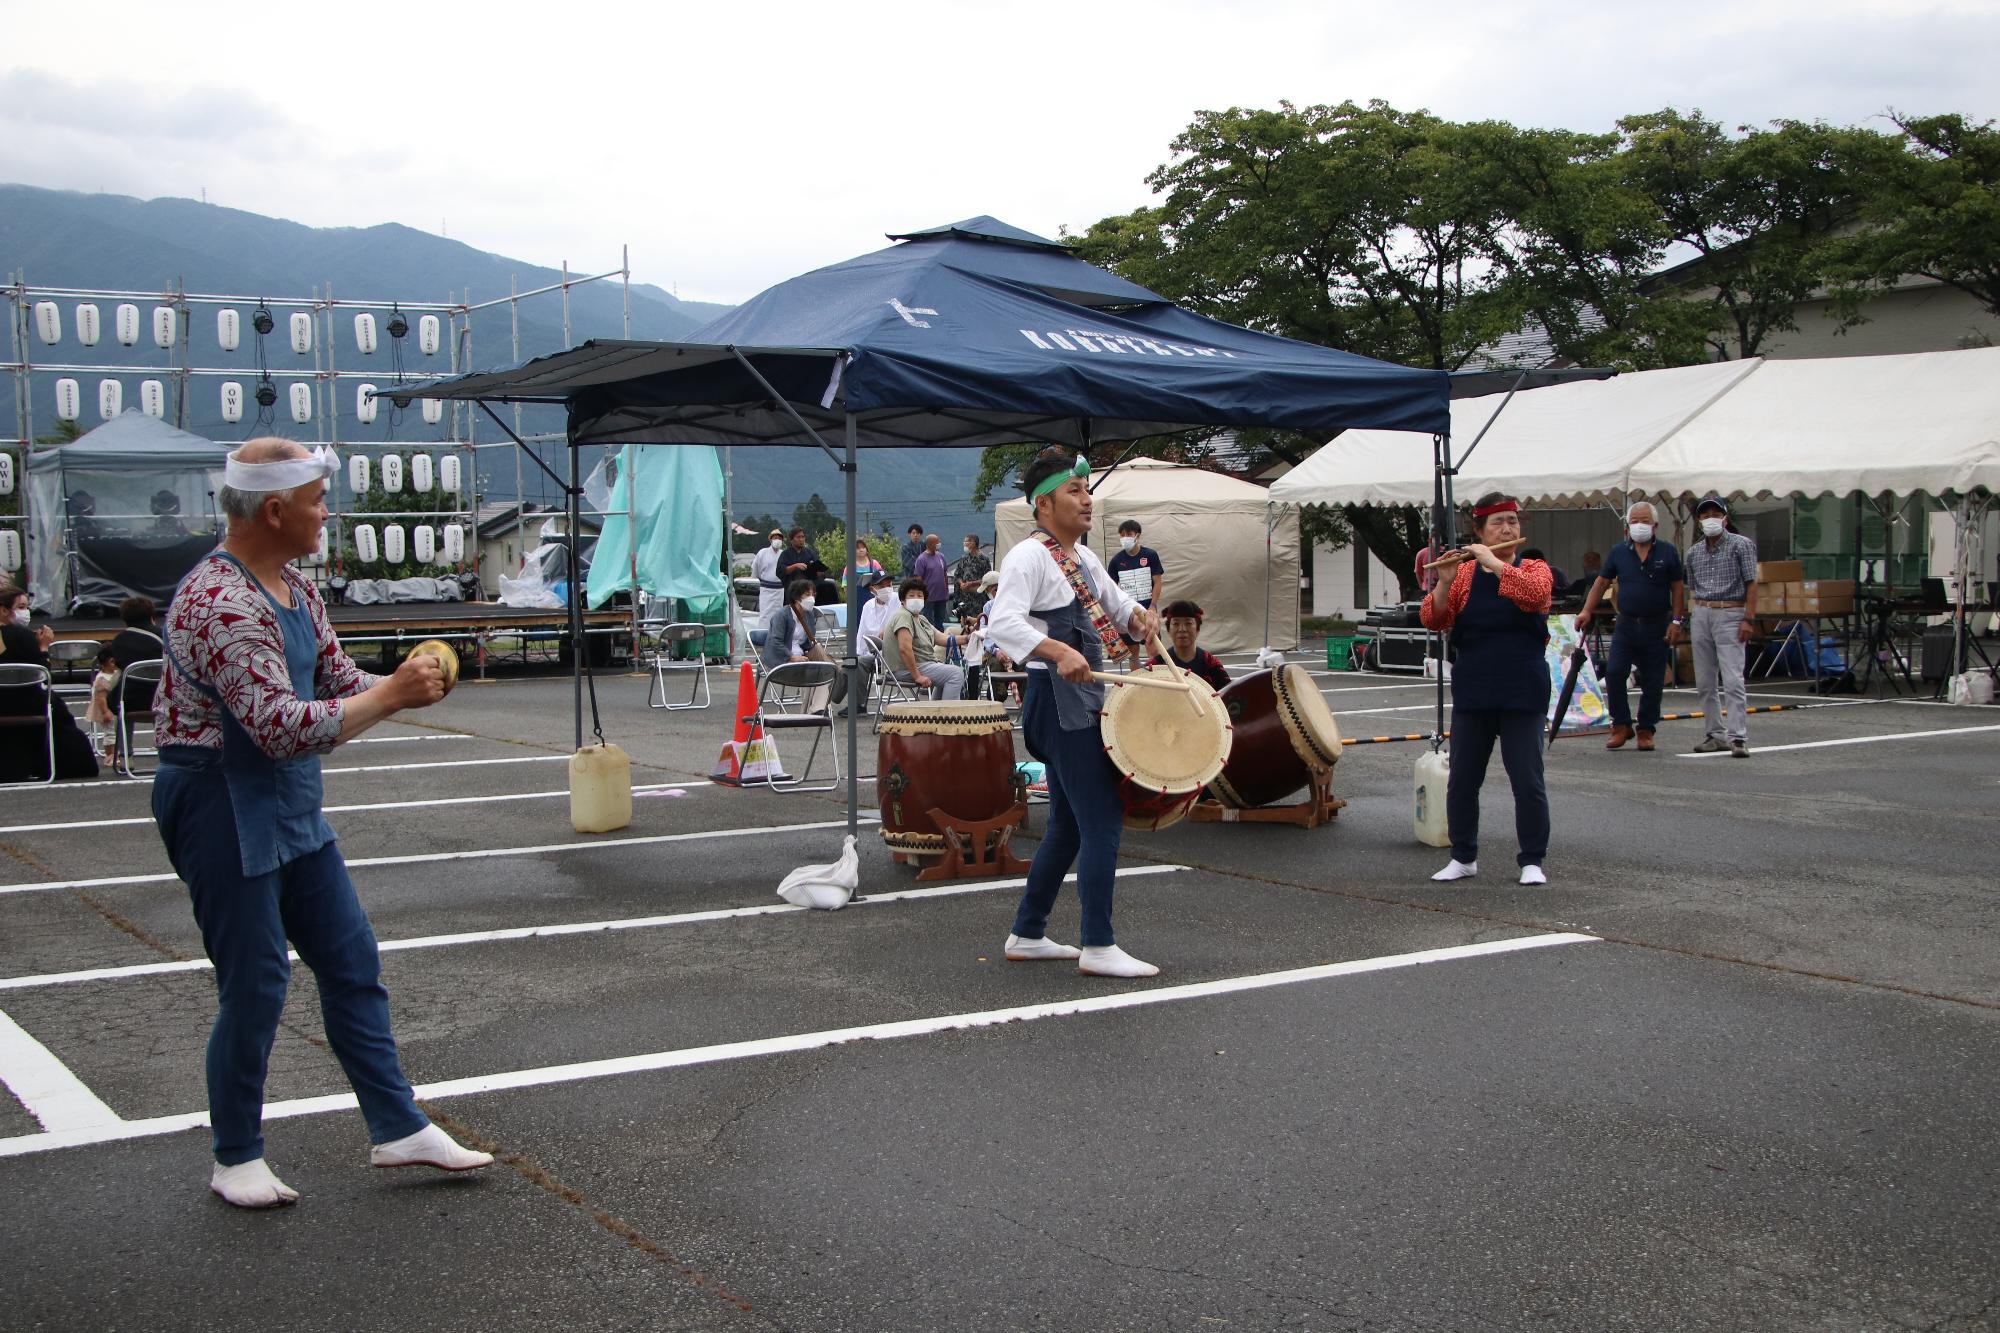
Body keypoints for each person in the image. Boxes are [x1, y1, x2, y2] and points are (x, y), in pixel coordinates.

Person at [150, 439, 491, 1210]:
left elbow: (338, 681)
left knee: (349, 956)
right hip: (217, 795)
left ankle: (397, 1124)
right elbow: (277, 726)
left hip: (287, 792)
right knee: (257, 981)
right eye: (316, 499)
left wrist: (408, 682)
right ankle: (234, 1154)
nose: (325, 513)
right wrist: (392, 697)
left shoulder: (295, 586)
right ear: (275, 510)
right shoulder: (220, 601)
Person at [988, 451, 1162, 978]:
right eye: (1075, 492)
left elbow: (1117, 611)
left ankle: (1028, 932)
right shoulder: (1027, 557)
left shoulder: (1083, 558)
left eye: (1088, 490)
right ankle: (1099, 944)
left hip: (1080, 703)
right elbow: (1002, 623)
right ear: (1045, 503)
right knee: (1102, 818)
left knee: (1067, 823)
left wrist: (1141, 619)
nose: (1088, 499)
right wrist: (1060, 651)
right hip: (1056, 703)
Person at [1418, 492, 1556, 886]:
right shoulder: (1462, 575)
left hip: (1522, 688)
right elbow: (1433, 618)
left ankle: (1532, 860)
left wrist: (1493, 562)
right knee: (1463, 778)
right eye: (1498, 522)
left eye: (1513, 521)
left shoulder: (1536, 568)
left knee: (1527, 779)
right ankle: (1463, 856)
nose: (1508, 528)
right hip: (1475, 686)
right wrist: (1443, 584)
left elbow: (1535, 596)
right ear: (1478, 531)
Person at [1575, 503, 1686, 752]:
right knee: (1614, 673)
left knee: (1653, 679)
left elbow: (1677, 587)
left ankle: (1646, 729)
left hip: (1657, 623)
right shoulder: (1618, 552)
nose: (1639, 525)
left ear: (1655, 525)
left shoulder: (1667, 552)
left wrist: (1677, 621)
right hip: (1626, 622)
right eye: (1634, 521)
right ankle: (1621, 725)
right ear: (1628, 526)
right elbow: (1602, 582)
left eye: (1644, 521)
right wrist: (1586, 610)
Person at [0, 581, 99, 782]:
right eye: (20, 607)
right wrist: (44, 647)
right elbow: (42, 674)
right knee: (57, 712)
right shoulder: (22, 636)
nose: (25, 612)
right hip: (28, 703)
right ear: (3, 610)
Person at [1684, 494, 1758, 757]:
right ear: (1699, 520)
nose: (1710, 519)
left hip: (1731, 610)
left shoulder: (1741, 545)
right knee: (1704, 680)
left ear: (1725, 518)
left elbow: (1751, 583)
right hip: (1702, 610)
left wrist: (1748, 618)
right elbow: (1692, 588)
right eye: (1705, 516)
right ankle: (1715, 733)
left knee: (1732, 677)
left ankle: (1738, 736)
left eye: (1715, 514)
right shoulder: (1693, 552)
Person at [886, 576, 965, 700]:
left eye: (919, 595)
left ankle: (936, 714)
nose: (916, 599)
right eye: (911, 596)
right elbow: (904, 648)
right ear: (902, 599)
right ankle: (949, 715)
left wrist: (968, 638)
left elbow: (942, 638)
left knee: (947, 674)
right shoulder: (903, 616)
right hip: (908, 668)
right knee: (955, 674)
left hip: (925, 664)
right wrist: (917, 676)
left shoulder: (921, 618)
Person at [1149, 600, 1232, 691]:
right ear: (1169, 630)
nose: (1182, 629)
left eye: (1188, 623)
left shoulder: (1210, 663)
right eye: (1176, 624)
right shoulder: (1158, 663)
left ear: (1198, 629)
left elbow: (1228, 695)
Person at [1106, 519, 1165, 615]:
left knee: (1150, 630)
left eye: (1129, 534)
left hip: (1148, 609)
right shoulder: (1116, 560)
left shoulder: (1150, 555)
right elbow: (1111, 588)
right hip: (1127, 611)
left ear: (1138, 536)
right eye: (1122, 535)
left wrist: (1153, 606)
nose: (1125, 538)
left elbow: (1157, 582)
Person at [85, 647, 120, 765]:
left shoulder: (115, 673)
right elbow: (101, 697)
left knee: (114, 732)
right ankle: (110, 756)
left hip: (112, 707)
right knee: (110, 733)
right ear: (110, 661)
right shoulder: (102, 678)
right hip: (104, 709)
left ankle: (114, 754)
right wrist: (105, 711)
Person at [950, 534, 991, 622]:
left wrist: (972, 584)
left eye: (967, 541)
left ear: (973, 543)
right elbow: (957, 574)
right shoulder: (964, 558)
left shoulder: (984, 559)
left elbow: (987, 578)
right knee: (964, 623)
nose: (964, 544)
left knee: (977, 622)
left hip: (978, 599)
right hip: (965, 599)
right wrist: (961, 583)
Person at [914, 534, 950, 628]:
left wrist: (946, 589)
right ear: (929, 544)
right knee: (927, 623)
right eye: (936, 542)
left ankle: (940, 641)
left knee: (940, 622)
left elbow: (944, 573)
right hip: (928, 598)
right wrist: (922, 594)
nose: (939, 544)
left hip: (941, 597)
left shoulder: (941, 556)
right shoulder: (921, 559)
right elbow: (918, 579)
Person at [750, 528, 785, 618]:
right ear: (770, 539)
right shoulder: (762, 553)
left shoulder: (784, 554)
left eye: (779, 538)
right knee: (765, 614)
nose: (777, 540)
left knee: (778, 615)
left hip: (779, 590)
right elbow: (756, 569)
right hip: (766, 589)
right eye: (775, 538)